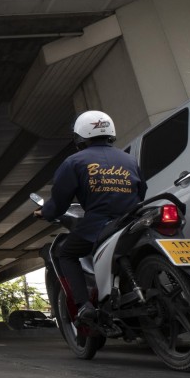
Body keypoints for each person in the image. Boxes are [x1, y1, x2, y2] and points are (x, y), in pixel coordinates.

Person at [34, 111, 146, 324]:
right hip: (131, 221)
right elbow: (141, 192)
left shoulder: (74, 161)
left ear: (80, 135)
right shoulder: (129, 159)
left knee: (66, 254)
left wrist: (44, 212)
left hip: (99, 223)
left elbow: (59, 201)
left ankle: (84, 306)